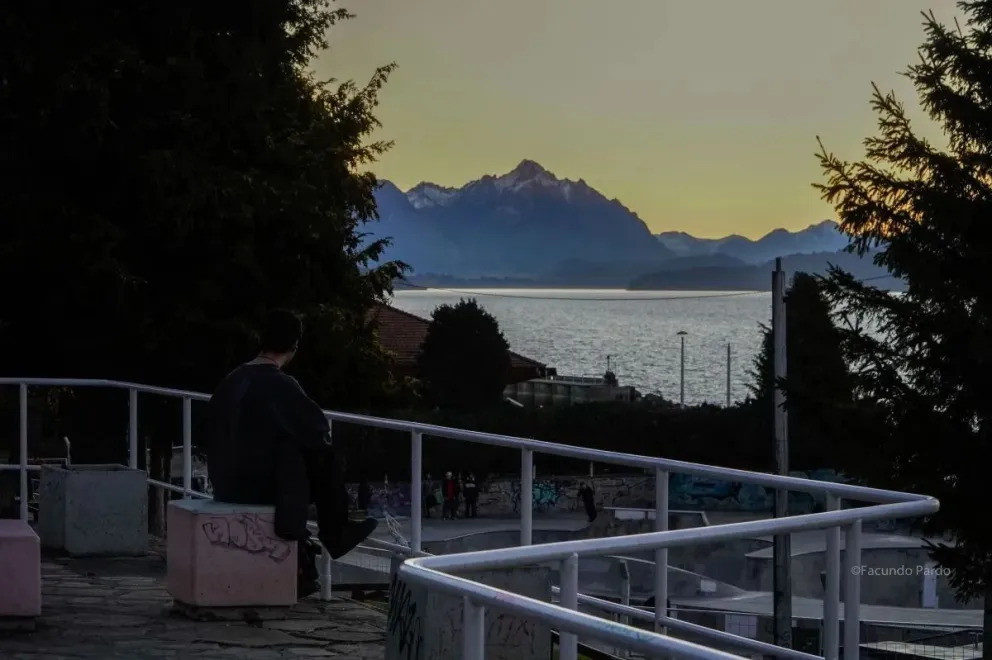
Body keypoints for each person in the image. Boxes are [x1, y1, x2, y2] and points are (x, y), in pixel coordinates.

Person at [204, 309, 378, 599]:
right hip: (258, 490)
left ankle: (316, 543)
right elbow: (317, 433)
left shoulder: (231, 381)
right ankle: (336, 531)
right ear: (295, 346)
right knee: (323, 456)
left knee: (301, 452)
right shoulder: (281, 385)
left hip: (224, 482)